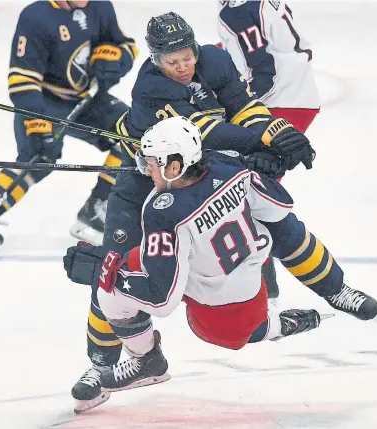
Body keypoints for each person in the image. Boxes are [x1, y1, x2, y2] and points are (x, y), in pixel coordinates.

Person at [64, 116, 377, 413]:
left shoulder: (163, 210)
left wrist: (105, 272)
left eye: (152, 164)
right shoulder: (227, 168)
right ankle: (287, 319)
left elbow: (161, 300)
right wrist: (245, 170)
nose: (147, 171)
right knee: (141, 262)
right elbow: (277, 208)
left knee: (109, 289)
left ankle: (147, 361)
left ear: (175, 166)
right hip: (251, 287)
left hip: (216, 316)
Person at [74, 11, 317, 398]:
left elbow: (242, 105)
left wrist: (276, 132)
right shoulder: (150, 87)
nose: (183, 66)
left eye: (187, 56)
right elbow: (204, 133)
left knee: (220, 267)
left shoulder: (214, 60)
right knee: (111, 265)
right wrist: (258, 147)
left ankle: (268, 311)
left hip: (192, 179)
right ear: (156, 59)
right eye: (172, 61)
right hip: (142, 183)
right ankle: (104, 364)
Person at [0, 0, 138, 250]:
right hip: (43, 101)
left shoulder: (100, 6)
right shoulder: (36, 16)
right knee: (39, 159)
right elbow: (22, 79)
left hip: (85, 98)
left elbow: (125, 45)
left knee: (133, 134)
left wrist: (114, 60)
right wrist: (37, 122)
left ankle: (96, 210)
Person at [217, 0, 321, 300]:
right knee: (249, 186)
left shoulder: (236, 11)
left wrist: (234, 102)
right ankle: (263, 285)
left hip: (280, 104)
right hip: (297, 96)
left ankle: (262, 288)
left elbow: (263, 71)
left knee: (242, 187)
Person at [217, 0, 320, 134]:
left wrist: (236, 104)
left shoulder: (238, 10)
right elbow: (245, 42)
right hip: (298, 92)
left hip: (277, 103)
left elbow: (264, 72)